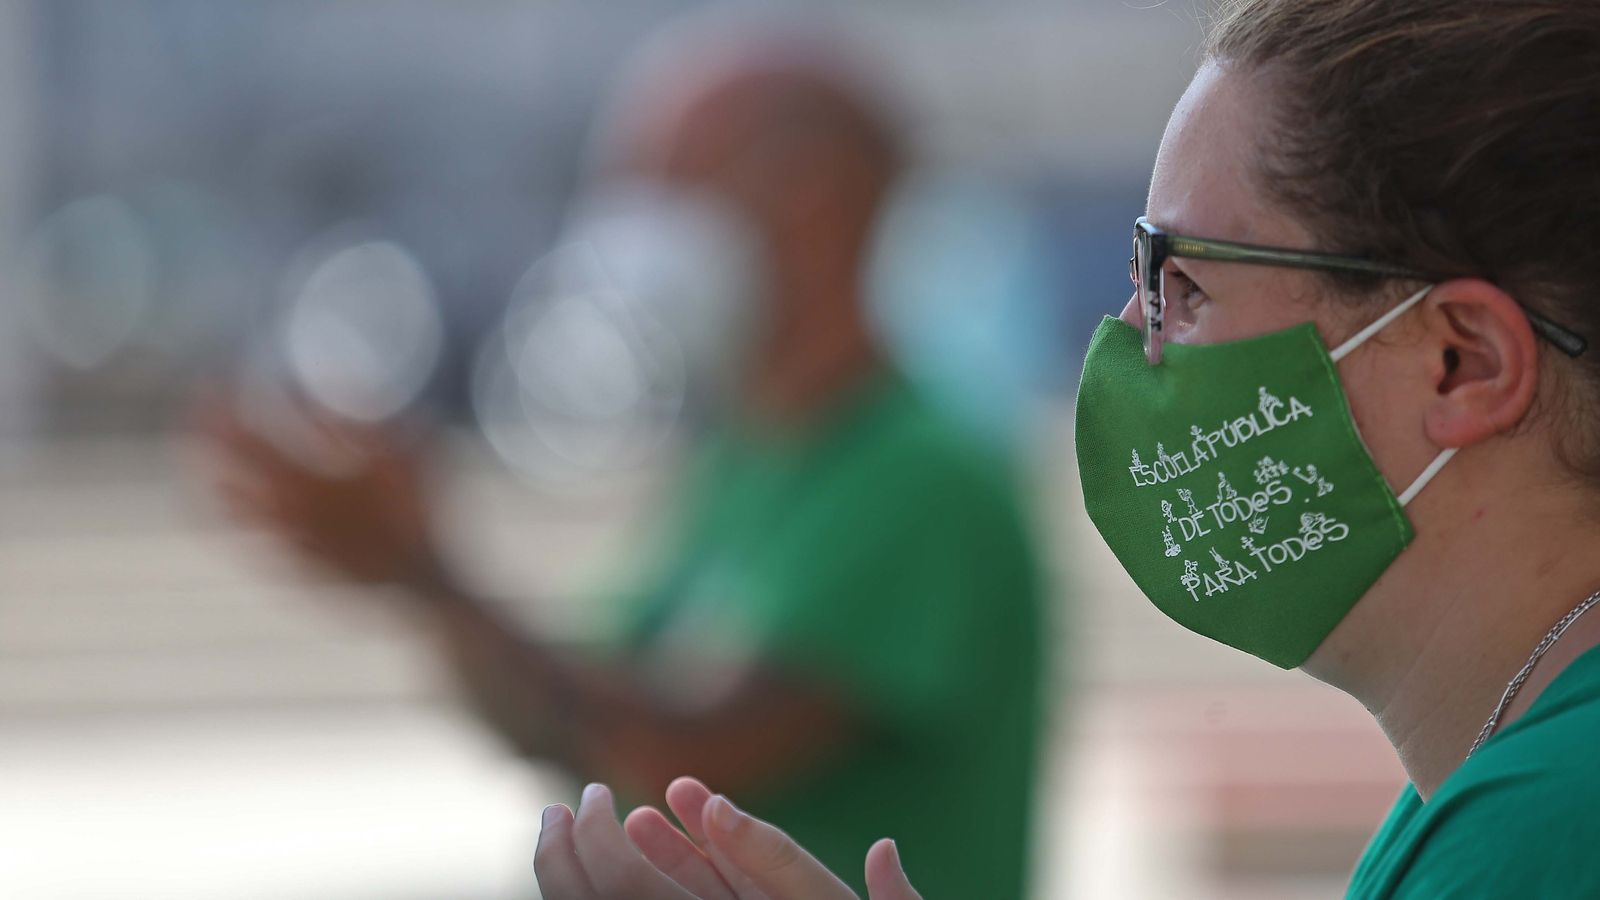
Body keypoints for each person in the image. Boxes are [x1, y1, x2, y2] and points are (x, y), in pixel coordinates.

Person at [535, 0, 1600, 897]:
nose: (1128, 337)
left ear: (1458, 363)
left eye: (1181, 282)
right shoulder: (1494, 790)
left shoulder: (1532, 836)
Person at [200, 19, 1046, 900]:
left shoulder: (920, 480)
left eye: (663, 183)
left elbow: (679, 754)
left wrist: (428, 570)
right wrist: (417, 577)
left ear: (812, 196)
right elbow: (565, 717)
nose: (628, 231)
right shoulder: (751, 453)